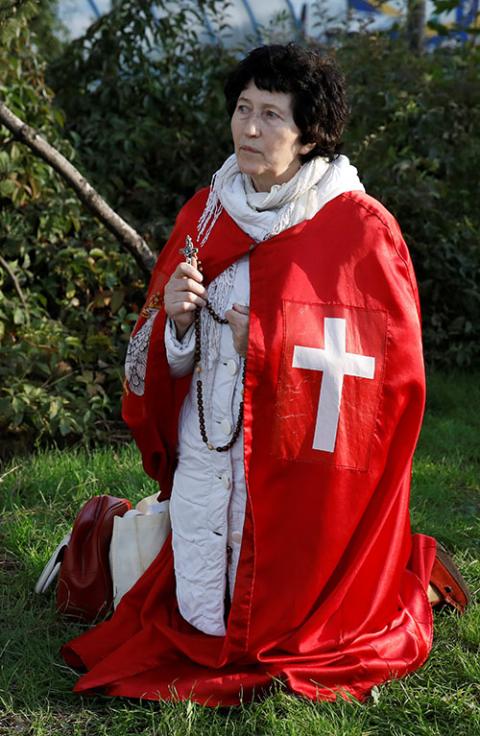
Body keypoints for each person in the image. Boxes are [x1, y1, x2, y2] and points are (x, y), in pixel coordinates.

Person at [61, 43, 469, 705]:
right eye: (243, 110)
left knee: (287, 617)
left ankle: (390, 577)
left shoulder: (357, 228)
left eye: (271, 115)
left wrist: (266, 334)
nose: (249, 128)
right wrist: (179, 321)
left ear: (309, 132)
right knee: (199, 616)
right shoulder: (206, 213)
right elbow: (163, 360)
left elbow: (391, 372)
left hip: (295, 463)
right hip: (208, 446)